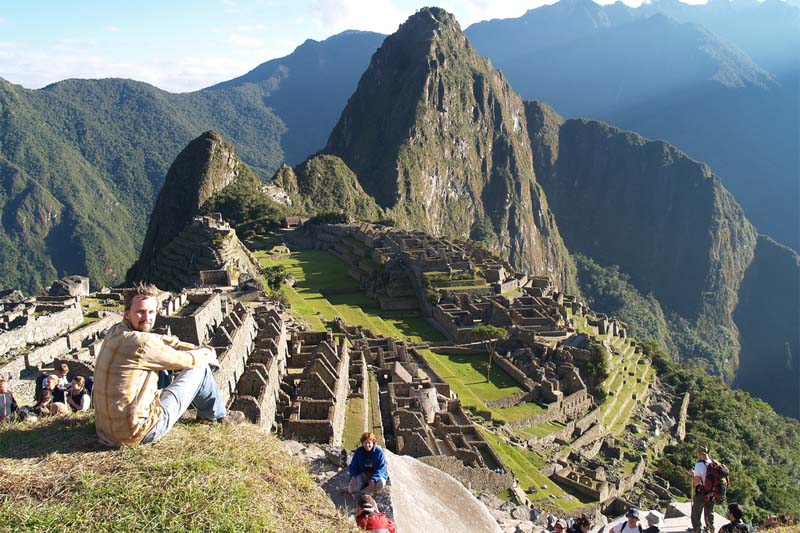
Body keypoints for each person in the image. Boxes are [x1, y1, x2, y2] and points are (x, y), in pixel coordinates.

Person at [93, 283, 245, 447]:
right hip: (139, 432)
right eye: (140, 312)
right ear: (127, 313)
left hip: (105, 431)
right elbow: (189, 361)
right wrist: (206, 353)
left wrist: (193, 347)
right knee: (200, 368)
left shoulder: (115, 332)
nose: (147, 317)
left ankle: (213, 413)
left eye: (151, 312)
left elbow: (158, 339)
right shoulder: (142, 344)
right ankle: (216, 415)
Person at [691, 445, 716, 533]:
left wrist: (693, 474)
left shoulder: (699, 465)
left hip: (702, 492)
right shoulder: (714, 463)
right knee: (710, 512)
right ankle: (711, 529)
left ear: (701, 454)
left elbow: (697, 480)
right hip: (713, 493)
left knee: (696, 513)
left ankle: (697, 530)